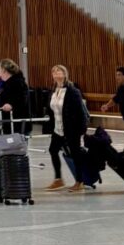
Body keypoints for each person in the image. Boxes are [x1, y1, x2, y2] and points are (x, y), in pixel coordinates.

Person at [44, 64, 89, 193]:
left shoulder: (73, 91)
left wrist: (81, 130)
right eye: (54, 72)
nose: (56, 74)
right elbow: (51, 110)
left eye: (59, 71)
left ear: (65, 74)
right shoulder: (53, 91)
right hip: (58, 129)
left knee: (75, 154)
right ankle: (58, 179)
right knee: (53, 150)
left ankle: (80, 181)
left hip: (71, 129)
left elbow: (80, 112)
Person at [0, 59, 29, 128]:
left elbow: (22, 100)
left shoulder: (18, 82)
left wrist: (11, 105)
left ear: (4, 70)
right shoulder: (7, 83)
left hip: (17, 123)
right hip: (9, 121)